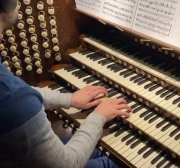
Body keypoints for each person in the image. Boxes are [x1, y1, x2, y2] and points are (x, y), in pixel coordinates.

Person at [0, 0, 131, 167]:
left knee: (98, 148)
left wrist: (69, 99)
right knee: (119, 162)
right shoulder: (13, 97)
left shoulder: (11, 92)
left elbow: (20, 93)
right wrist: (99, 116)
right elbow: (67, 164)